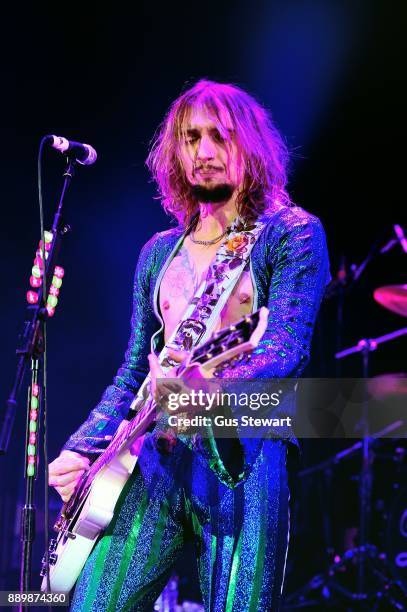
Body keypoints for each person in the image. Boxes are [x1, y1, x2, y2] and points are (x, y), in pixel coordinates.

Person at [48, 80, 330, 611]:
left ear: (250, 145)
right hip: (154, 457)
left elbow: (285, 347)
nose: (203, 152)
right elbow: (134, 371)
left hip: (243, 457)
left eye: (220, 137)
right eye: (190, 137)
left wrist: (209, 391)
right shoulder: (159, 252)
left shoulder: (291, 234)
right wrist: (82, 447)